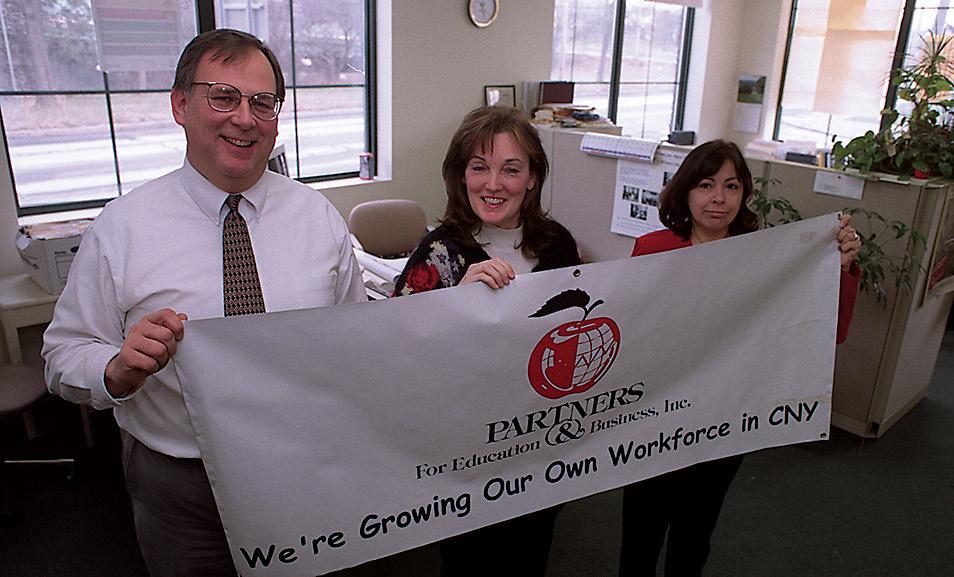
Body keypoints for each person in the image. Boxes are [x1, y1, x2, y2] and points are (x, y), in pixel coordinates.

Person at [42, 29, 366, 577]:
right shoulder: (122, 229)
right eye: (223, 96)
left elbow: (356, 340)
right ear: (179, 105)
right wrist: (116, 368)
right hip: (180, 483)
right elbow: (62, 354)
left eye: (262, 102)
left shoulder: (318, 218)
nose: (244, 118)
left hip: (302, 464)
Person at [618, 139, 861, 577]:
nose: (719, 198)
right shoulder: (652, 249)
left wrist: (836, 268)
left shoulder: (766, 255)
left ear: (744, 193)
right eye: (706, 185)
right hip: (656, 415)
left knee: (695, 530)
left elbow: (825, 330)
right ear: (685, 191)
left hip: (725, 415)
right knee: (641, 529)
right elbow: (633, 331)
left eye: (731, 186)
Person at [393, 105, 581, 576]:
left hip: (541, 445)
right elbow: (394, 349)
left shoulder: (558, 245)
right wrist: (457, 301)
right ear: (462, 174)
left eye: (511, 169)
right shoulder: (439, 251)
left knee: (530, 557)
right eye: (479, 167)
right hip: (465, 456)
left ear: (533, 178)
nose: (493, 184)